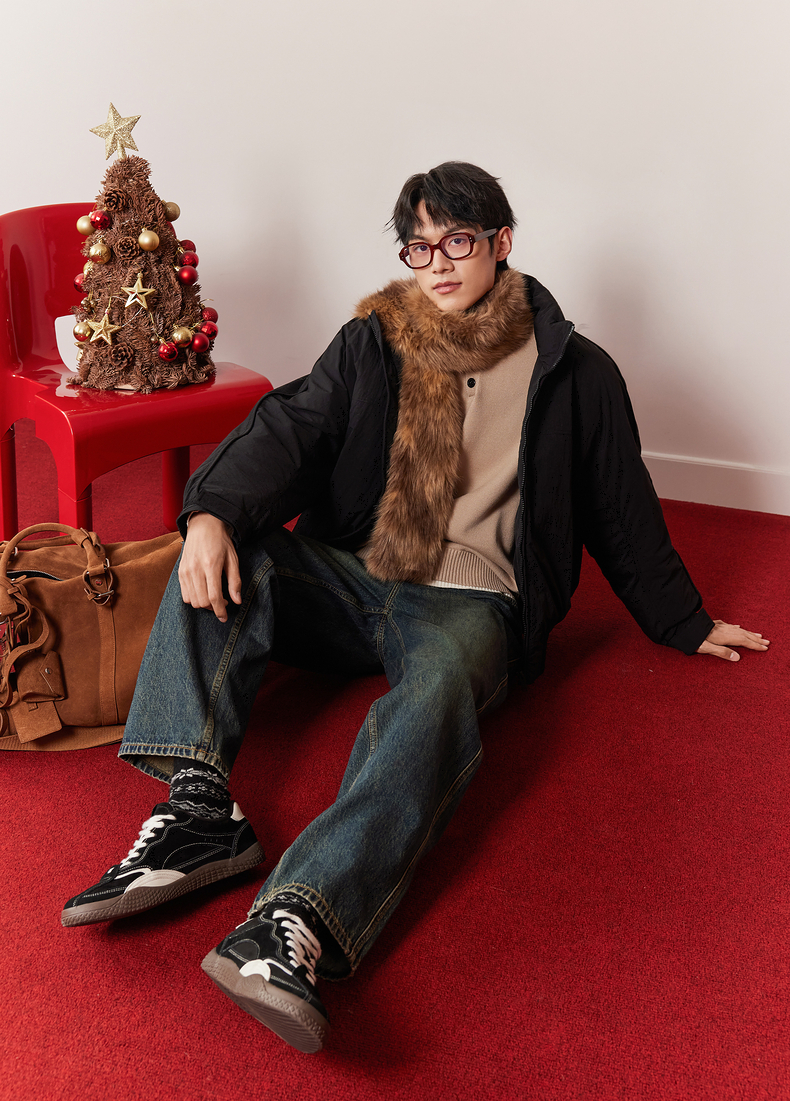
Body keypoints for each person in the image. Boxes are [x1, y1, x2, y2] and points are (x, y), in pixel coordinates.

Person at [61, 162, 769, 1053]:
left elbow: (621, 507)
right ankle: (200, 813)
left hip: (472, 600)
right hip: (357, 571)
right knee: (223, 545)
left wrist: (684, 619)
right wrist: (210, 513)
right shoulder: (377, 340)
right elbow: (295, 425)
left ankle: (293, 918)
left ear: (501, 243)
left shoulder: (575, 372)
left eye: (457, 241)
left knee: (435, 691)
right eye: (419, 246)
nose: (437, 264)